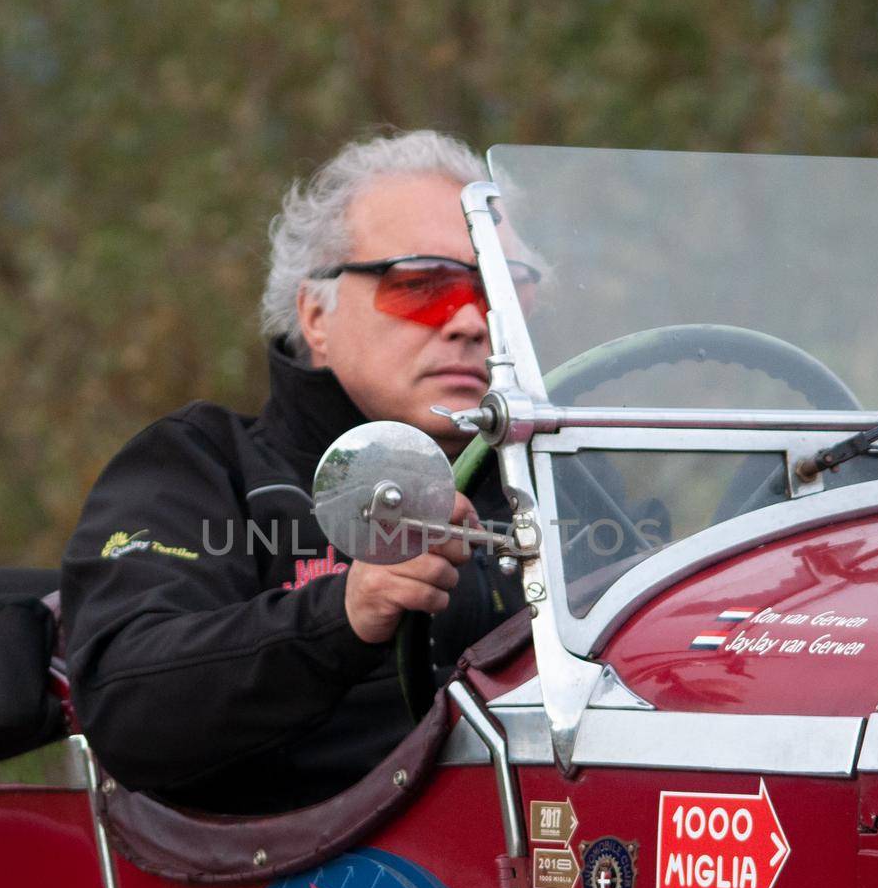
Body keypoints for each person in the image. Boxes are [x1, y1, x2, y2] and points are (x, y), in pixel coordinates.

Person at [60, 131, 530, 813]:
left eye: (498, 293)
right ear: (316, 314)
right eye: (421, 285)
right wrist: (343, 613)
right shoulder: (200, 468)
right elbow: (126, 702)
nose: (467, 320)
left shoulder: (566, 485)